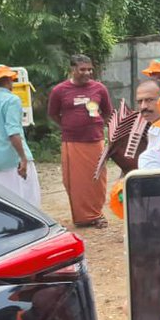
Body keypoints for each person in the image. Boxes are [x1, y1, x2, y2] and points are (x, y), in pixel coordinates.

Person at [48, 55, 113, 228]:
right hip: (72, 141)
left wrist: (97, 125)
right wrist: (68, 125)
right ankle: (82, 218)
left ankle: (96, 214)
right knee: (75, 181)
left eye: (89, 69)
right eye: (82, 69)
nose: (87, 73)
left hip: (95, 140)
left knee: (97, 180)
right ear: (73, 69)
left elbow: (107, 111)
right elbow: (53, 113)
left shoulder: (99, 89)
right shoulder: (59, 90)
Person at [0, 65, 40, 207]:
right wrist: (22, 158)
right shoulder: (12, 100)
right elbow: (13, 132)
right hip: (13, 160)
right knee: (28, 203)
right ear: (8, 80)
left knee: (4, 204)